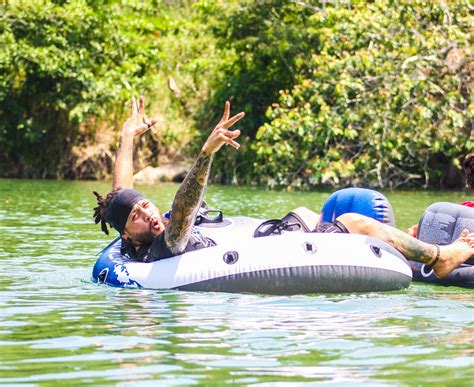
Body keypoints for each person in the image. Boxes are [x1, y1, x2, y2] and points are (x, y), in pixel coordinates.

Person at [93, 96, 474, 280]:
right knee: (360, 222)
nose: (146, 213)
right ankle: (438, 256)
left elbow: (120, 197)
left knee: (313, 215)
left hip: (270, 234)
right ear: (127, 231)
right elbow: (185, 201)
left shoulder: (131, 238)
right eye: (136, 217)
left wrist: (127, 138)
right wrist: (206, 154)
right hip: (269, 249)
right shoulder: (163, 244)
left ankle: (400, 242)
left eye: (145, 206)